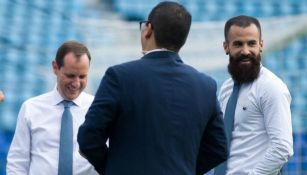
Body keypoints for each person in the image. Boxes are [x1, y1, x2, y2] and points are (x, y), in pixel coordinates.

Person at [77, 1, 228, 175]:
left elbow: (88, 138)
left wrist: (113, 168)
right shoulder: (205, 86)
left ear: (148, 29)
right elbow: (219, 149)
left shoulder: (119, 77)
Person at [215, 15, 293, 175]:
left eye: (251, 43)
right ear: (226, 47)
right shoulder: (226, 88)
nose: (245, 51)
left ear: (261, 45)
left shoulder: (271, 87)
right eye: (238, 44)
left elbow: (282, 147)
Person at [7, 41, 98, 175]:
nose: (76, 83)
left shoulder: (98, 109)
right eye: (70, 76)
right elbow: (18, 162)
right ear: (55, 67)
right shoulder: (31, 108)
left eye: (82, 76)